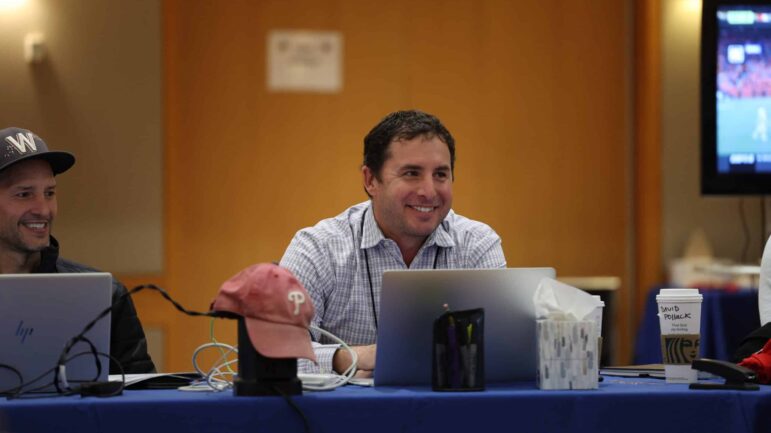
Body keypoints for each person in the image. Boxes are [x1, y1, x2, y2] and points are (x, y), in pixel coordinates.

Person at [280, 110, 506, 377]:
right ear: (370, 180)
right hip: (344, 417)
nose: (429, 191)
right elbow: (277, 352)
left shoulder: (477, 244)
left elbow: (502, 350)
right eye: (412, 173)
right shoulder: (318, 248)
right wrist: (352, 358)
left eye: (441, 175)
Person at [0, 127, 155, 374]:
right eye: (24, 194)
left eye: (49, 193)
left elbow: (140, 399)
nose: (43, 209)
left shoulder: (107, 296)